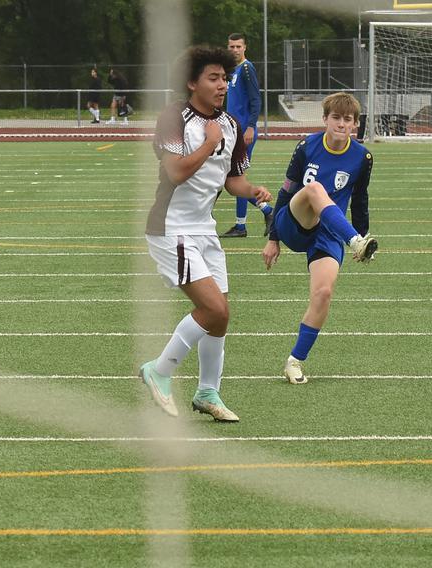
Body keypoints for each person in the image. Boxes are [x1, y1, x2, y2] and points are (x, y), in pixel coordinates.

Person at [140, 45, 272, 421]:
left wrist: (253, 191)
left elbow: (233, 182)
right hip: (171, 228)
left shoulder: (230, 124)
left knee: (221, 315)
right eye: (212, 78)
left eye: (224, 78)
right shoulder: (175, 118)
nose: (221, 85)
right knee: (213, 308)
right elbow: (176, 172)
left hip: (205, 230)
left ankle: (207, 392)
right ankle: (159, 370)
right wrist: (209, 143)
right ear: (191, 82)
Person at [261, 92, 378, 385]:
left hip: (328, 233)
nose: (341, 124)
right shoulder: (306, 146)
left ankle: (295, 361)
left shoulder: (362, 157)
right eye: (335, 118)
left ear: (355, 125)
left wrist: (362, 232)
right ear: (325, 120)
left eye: (347, 119)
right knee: (314, 191)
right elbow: (287, 191)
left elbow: (360, 201)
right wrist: (273, 238)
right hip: (295, 221)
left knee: (323, 293)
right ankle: (355, 242)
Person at [219, 33, 273, 238]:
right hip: (233, 132)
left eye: (238, 46)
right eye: (231, 46)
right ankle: (243, 224)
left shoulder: (247, 69)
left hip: (244, 133)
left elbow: (255, 100)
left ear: (245, 48)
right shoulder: (231, 71)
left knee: (234, 177)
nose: (234, 50)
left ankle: (264, 214)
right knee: (233, 177)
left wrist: (251, 127)